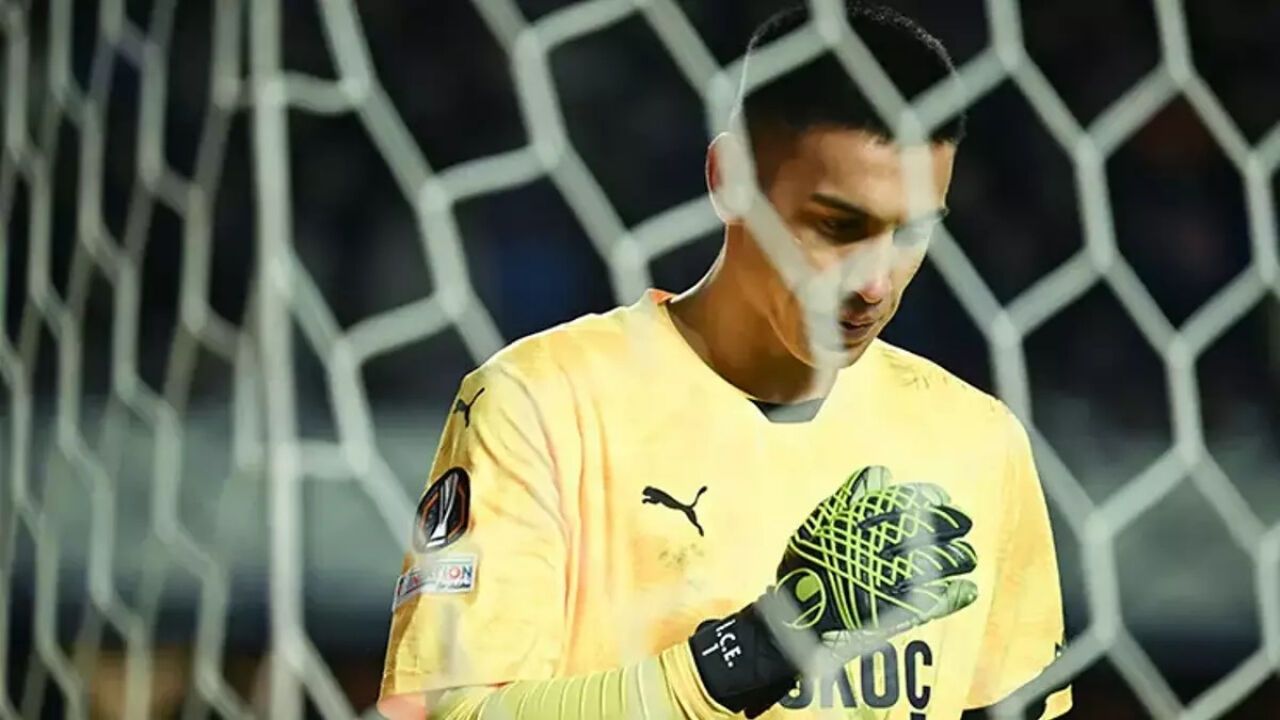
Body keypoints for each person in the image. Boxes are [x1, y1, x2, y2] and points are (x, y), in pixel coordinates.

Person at [378, 2, 1070, 718]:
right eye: (839, 225)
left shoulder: (975, 441)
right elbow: (447, 714)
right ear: (728, 179)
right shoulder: (541, 403)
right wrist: (749, 654)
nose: (875, 283)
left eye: (912, 233)